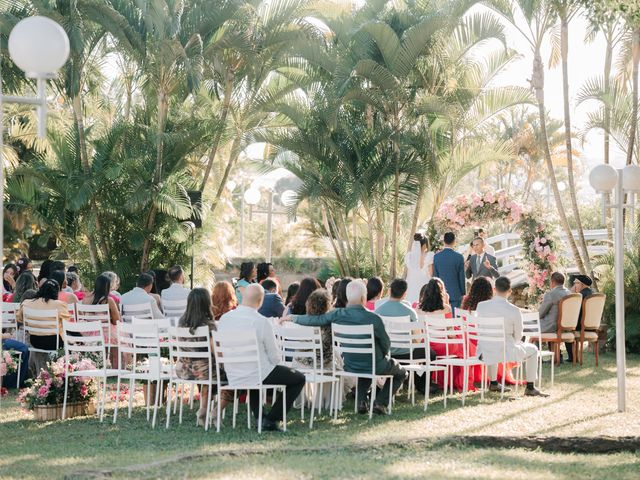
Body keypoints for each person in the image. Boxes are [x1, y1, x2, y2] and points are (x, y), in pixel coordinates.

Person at [291, 281, 407, 415]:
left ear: (347, 297)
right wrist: (384, 356)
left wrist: (293, 317)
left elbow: (315, 320)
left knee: (365, 368)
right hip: (374, 364)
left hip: (351, 364)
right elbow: (386, 344)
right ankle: (380, 402)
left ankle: (361, 402)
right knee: (402, 373)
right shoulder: (374, 318)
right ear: (364, 298)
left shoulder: (337, 314)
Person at [218, 284, 305, 432]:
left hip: (233, 372)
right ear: (260, 301)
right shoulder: (261, 321)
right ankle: (271, 419)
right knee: (298, 379)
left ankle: (260, 417)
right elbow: (274, 356)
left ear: (243, 298)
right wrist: (280, 365)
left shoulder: (225, 319)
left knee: (256, 373)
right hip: (257, 373)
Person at [476, 276, 546, 396]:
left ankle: (493, 383)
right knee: (533, 349)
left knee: (492, 344)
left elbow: (480, 330)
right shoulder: (514, 310)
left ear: (494, 289)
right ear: (510, 291)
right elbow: (518, 336)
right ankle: (530, 387)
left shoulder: (481, 306)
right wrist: (513, 342)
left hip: (484, 352)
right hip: (505, 352)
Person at [176, 288, 227, 427]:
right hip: (204, 371)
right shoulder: (209, 326)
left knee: (207, 373)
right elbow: (217, 353)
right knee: (231, 375)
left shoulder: (181, 323)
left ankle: (203, 410)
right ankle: (212, 410)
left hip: (183, 370)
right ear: (206, 303)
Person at [375, 278, 436, 394]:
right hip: (407, 355)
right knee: (431, 353)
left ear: (389, 291)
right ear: (404, 294)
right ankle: (421, 385)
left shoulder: (378, 311)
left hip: (386, 354)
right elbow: (417, 339)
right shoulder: (410, 312)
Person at [16, 279, 71, 351]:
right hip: (54, 342)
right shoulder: (59, 305)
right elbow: (66, 322)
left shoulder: (26, 303)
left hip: (34, 341)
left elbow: (19, 319)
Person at [82, 274, 121, 366]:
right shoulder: (108, 300)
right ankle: (114, 365)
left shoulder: (85, 300)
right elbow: (116, 321)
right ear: (107, 287)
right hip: (106, 333)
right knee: (121, 336)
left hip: (88, 332)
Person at [433, 232, 466, 311]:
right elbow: (461, 277)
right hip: (456, 293)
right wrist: (463, 293)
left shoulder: (436, 257)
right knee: (456, 319)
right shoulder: (459, 257)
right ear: (454, 242)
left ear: (444, 241)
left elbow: (435, 276)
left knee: (443, 319)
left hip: (441, 294)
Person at [567, 274, 594, 363]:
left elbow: (572, 309)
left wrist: (572, 294)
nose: (574, 285)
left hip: (580, 325)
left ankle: (571, 358)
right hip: (591, 326)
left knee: (565, 329)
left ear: (582, 284)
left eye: (576, 283)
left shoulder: (580, 295)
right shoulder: (591, 293)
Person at [405, 233, 434, 304]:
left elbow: (408, 275)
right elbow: (431, 274)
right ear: (424, 245)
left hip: (411, 285)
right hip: (425, 285)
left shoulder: (409, 256)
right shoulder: (429, 255)